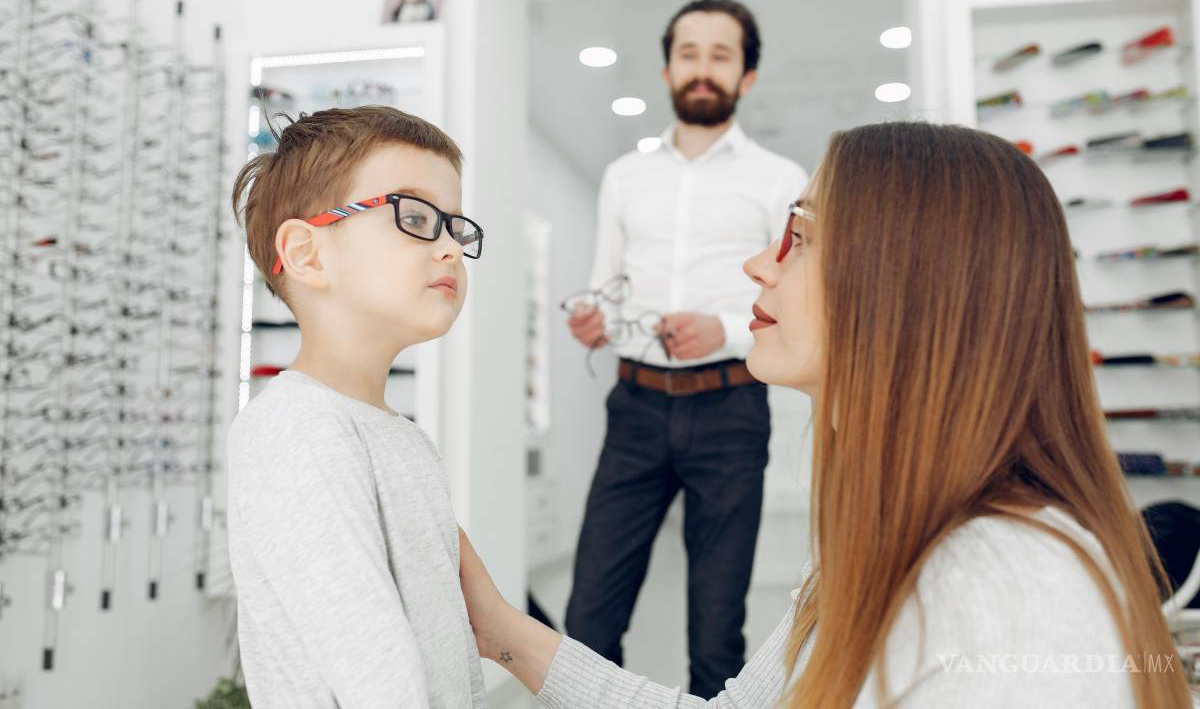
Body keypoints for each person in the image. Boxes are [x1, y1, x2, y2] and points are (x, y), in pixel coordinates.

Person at [460, 122, 1192, 708]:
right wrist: (499, 630)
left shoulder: (1003, 589)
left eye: (800, 239)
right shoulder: (877, 543)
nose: (758, 265)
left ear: (906, 286)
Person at [563, 0, 807, 699]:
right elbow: (603, 288)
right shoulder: (624, 178)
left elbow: (790, 300)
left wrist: (724, 332)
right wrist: (591, 317)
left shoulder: (779, 179)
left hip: (730, 410)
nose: (702, 69)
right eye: (689, 54)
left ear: (747, 76)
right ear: (668, 69)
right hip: (635, 408)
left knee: (716, 631)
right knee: (588, 618)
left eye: (720, 55)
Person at [225, 106, 486, 708]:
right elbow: (380, 679)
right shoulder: (295, 432)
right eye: (415, 217)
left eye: (456, 227)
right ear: (308, 253)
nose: (448, 247)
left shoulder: (403, 439)